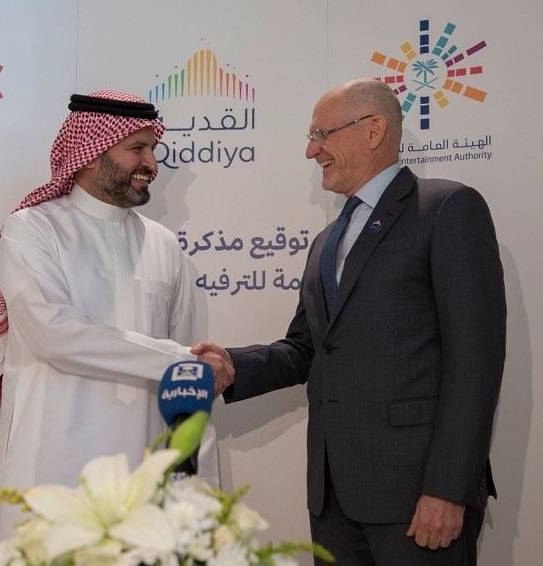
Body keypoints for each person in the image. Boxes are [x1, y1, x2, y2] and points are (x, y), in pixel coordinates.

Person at [194, 78, 505, 566]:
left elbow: (475, 362)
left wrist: (447, 488)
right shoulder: (326, 240)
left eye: (321, 134)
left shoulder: (446, 209)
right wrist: (233, 365)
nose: (310, 150)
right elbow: (307, 349)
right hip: (333, 499)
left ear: (373, 129)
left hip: (417, 496)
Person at [0, 90, 219, 546]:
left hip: (143, 474)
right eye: (137, 148)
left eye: (153, 149)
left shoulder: (162, 243)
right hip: (54, 469)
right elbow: (52, 334)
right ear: (90, 155)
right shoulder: (32, 229)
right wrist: (177, 359)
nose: (152, 163)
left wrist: (195, 484)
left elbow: (188, 374)